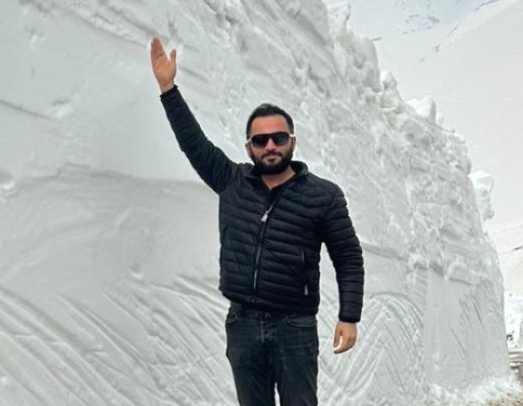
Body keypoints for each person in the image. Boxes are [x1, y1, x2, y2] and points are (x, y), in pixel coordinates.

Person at [149, 37, 364, 406]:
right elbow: (194, 143)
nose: (270, 146)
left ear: (292, 142)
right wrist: (168, 89)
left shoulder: (324, 195)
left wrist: (349, 315)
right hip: (243, 324)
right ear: (249, 147)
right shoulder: (232, 181)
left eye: (278, 138)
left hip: (294, 327)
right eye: (260, 140)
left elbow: (348, 257)